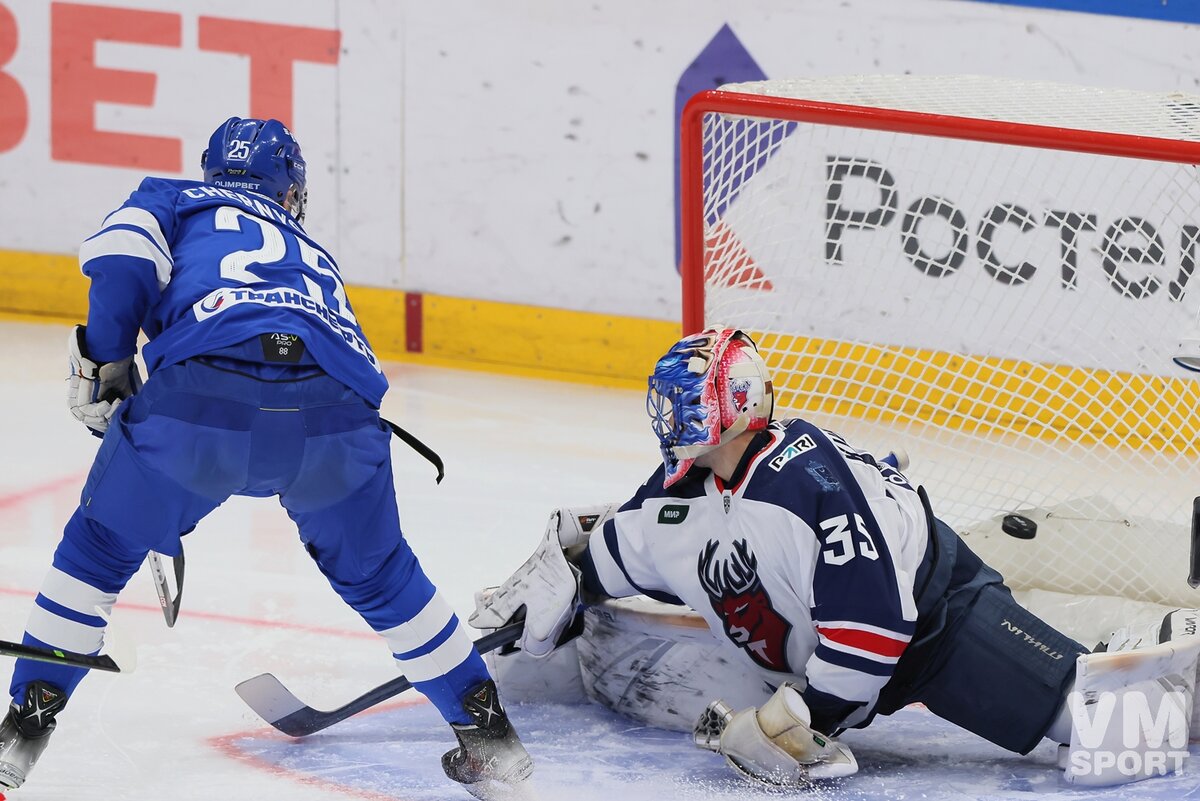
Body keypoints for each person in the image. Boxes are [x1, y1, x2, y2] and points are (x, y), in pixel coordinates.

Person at [0, 117, 530, 798]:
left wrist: (106, 362)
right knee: (384, 577)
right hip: (336, 420)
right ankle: (491, 737)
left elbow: (124, 261)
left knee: (98, 552)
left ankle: (24, 728)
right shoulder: (308, 248)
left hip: (202, 406)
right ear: (292, 192)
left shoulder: (176, 198)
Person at [471, 326, 1198, 787]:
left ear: (738, 403)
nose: (672, 420)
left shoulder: (806, 480)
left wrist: (800, 720)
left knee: (1099, 723)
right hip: (852, 649)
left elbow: (875, 630)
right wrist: (568, 578)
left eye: (689, 404)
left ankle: (1175, 689)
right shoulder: (683, 495)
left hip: (935, 622)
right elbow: (621, 549)